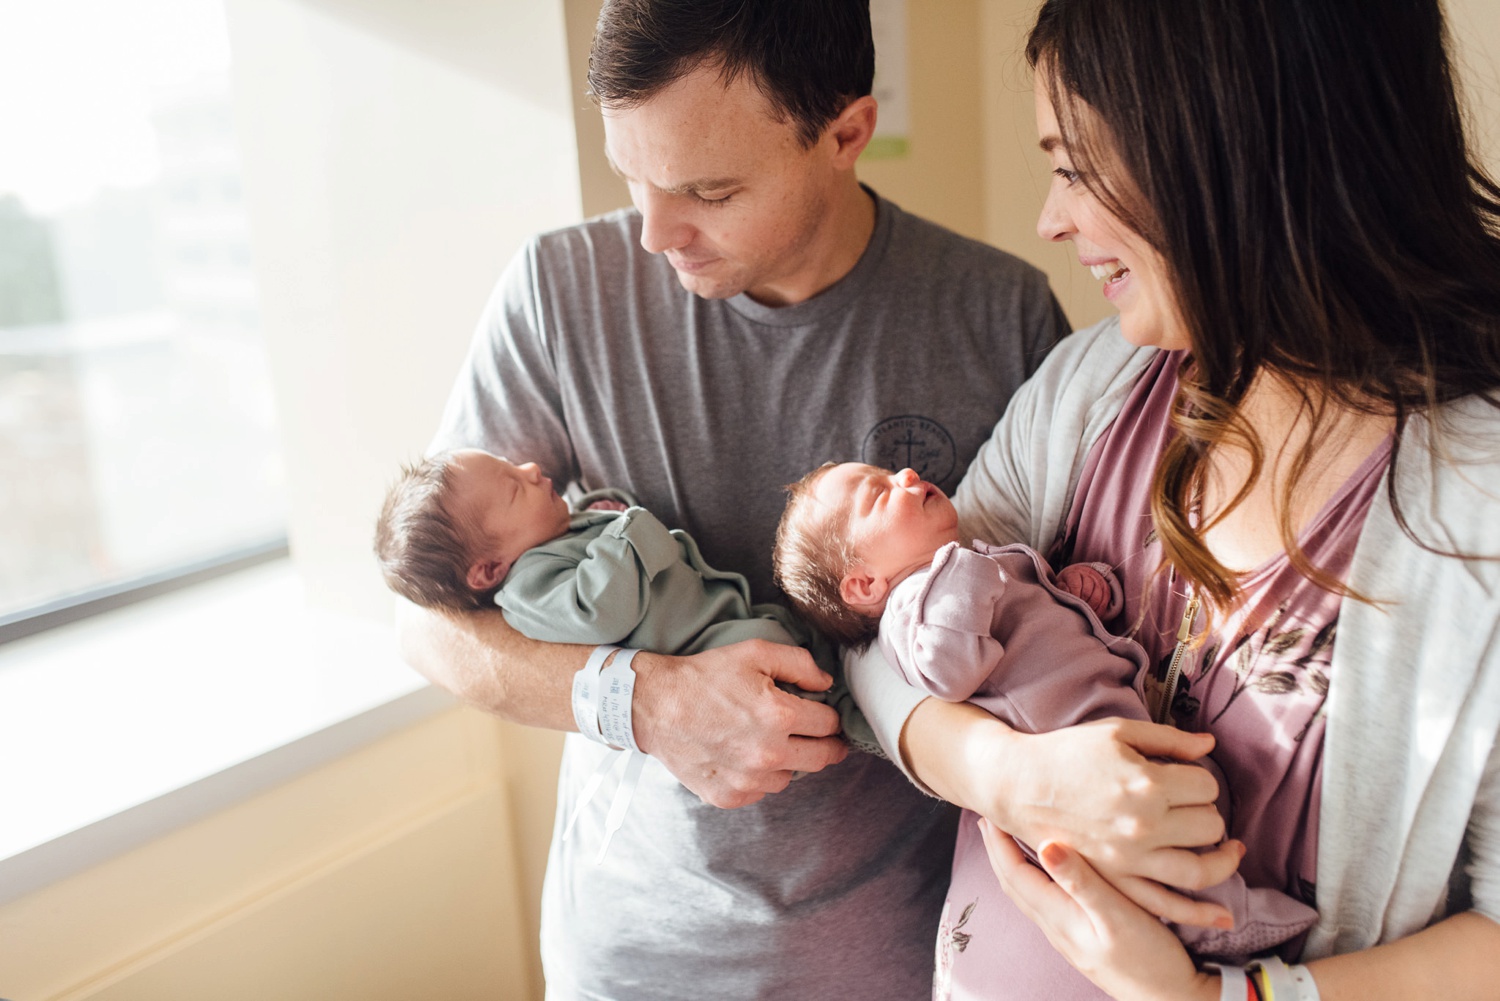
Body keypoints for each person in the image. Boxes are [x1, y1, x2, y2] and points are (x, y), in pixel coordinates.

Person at [395, 1, 1079, 996]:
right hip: (632, 957)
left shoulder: (999, 315)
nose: (654, 231)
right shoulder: (556, 293)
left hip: (916, 954)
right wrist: (645, 700)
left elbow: (1056, 623)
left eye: (706, 188)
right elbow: (428, 626)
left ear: (847, 132)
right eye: (633, 176)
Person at [848, 0, 1500, 998]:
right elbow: (878, 627)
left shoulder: (1479, 512)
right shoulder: (1089, 387)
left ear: (1232, 148)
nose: (1049, 220)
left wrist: (1219, 997)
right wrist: (1004, 773)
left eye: (1074, 167)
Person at [774, 461, 1317, 972]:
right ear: (864, 585)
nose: (906, 474)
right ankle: (1214, 922)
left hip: (1102, 712)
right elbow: (949, 670)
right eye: (878, 493)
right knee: (1144, 847)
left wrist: (1079, 588)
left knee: (1192, 797)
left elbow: (1031, 617)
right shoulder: (910, 610)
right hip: (1067, 746)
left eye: (891, 472)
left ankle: (1215, 901)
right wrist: (968, 571)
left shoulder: (961, 569)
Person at [372, 448, 867, 745]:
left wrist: (597, 510)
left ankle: (863, 703)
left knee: (806, 642)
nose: (529, 467)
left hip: (722, 620)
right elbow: (600, 609)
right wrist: (628, 524)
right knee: (800, 663)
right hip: (712, 648)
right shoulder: (526, 588)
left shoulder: (548, 540)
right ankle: (860, 718)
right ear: (488, 570)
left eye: (513, 465)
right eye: (514, 488)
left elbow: (590, 543)